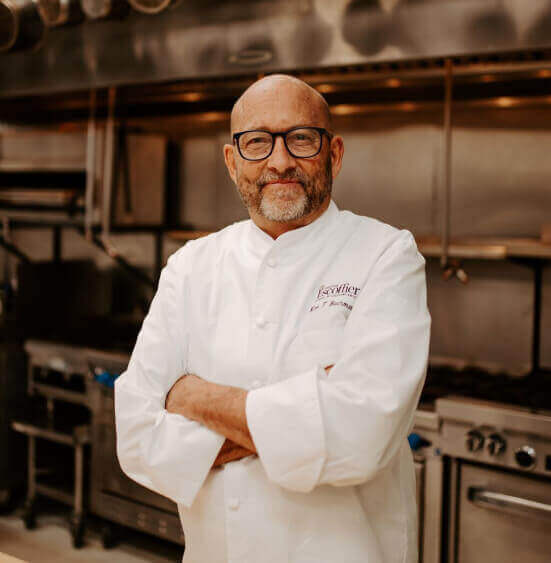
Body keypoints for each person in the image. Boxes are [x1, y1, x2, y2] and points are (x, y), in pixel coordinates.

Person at [115, 74, 431, 563]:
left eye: (301, 138)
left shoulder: (386, 254)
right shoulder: (193, 265)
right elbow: (136, 435)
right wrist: (308, 409)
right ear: (231, 161)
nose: (280, 161)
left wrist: (193, 397)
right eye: (257, 142)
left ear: (335, 153)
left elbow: (362, 434)